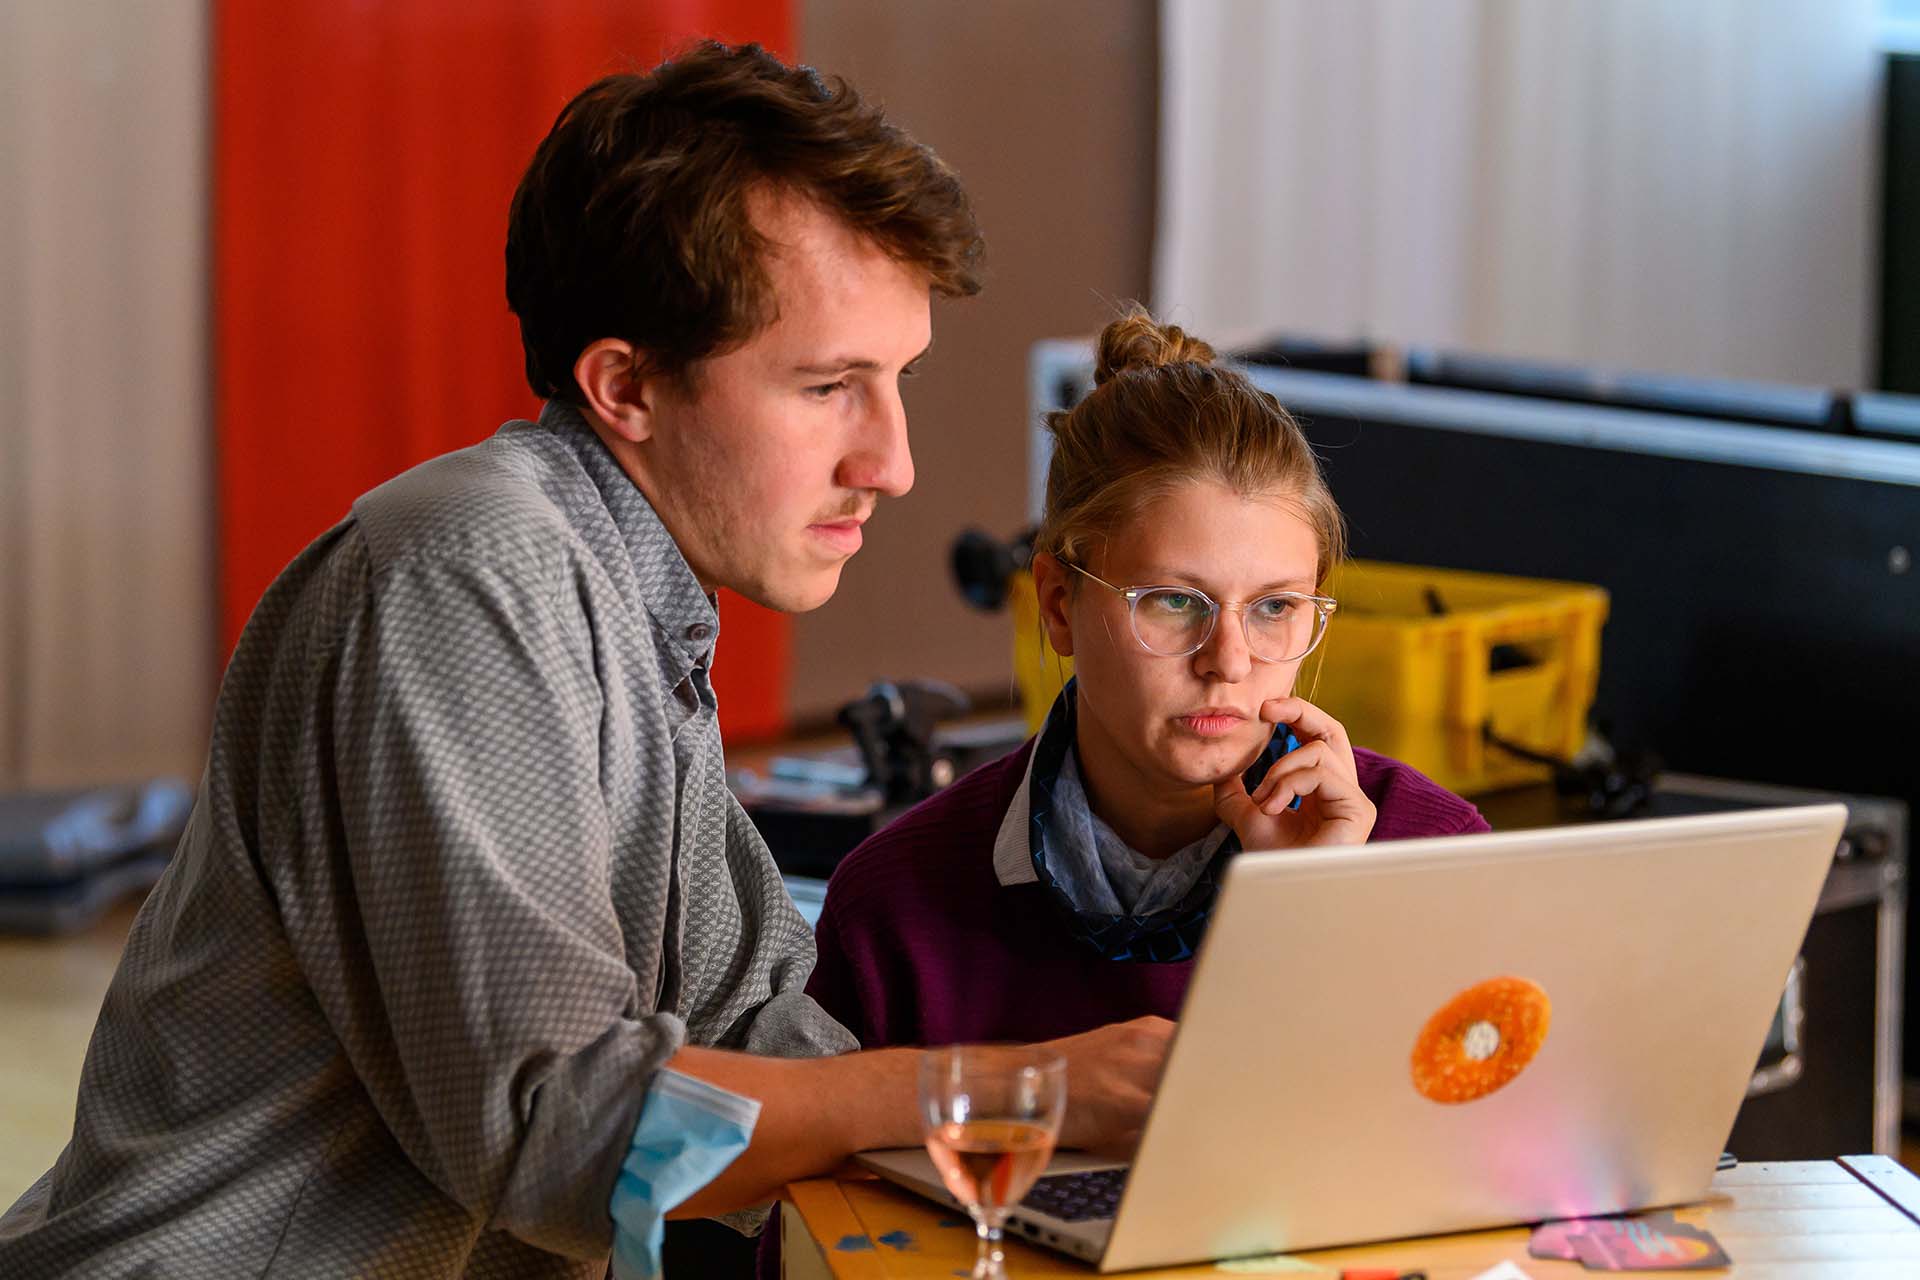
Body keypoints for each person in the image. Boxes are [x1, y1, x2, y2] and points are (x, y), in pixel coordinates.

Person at [0, 42, 1169, 1279]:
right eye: (830, 385)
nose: (893, 462)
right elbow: (565, 1134)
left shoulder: (626, 592)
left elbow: (752, 1030)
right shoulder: (471, 571)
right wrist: (1014, 1089)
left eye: (897, 381)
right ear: (626, 385)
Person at [804, 309, 1492, 1052]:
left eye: (1274, 608)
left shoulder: (1440, 858)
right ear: (1058, 606)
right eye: (1173, 602)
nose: (1229, 661)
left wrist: (1313, 917)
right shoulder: (891, 908)